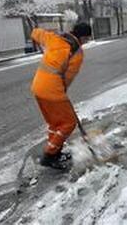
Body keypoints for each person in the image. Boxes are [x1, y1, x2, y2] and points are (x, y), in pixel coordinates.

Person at [30, 23, 92, 170]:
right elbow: (67, 78)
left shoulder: (55, 38)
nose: (86, 41)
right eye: (87, 38)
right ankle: (50, 156)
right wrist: (62, 91)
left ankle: (54, 151)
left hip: (37, 87)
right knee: (68, 123)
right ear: (82, 37)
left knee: (55, 123)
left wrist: (36, 38)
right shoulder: (77, 53)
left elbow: (36, 33)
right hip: (52, 90)